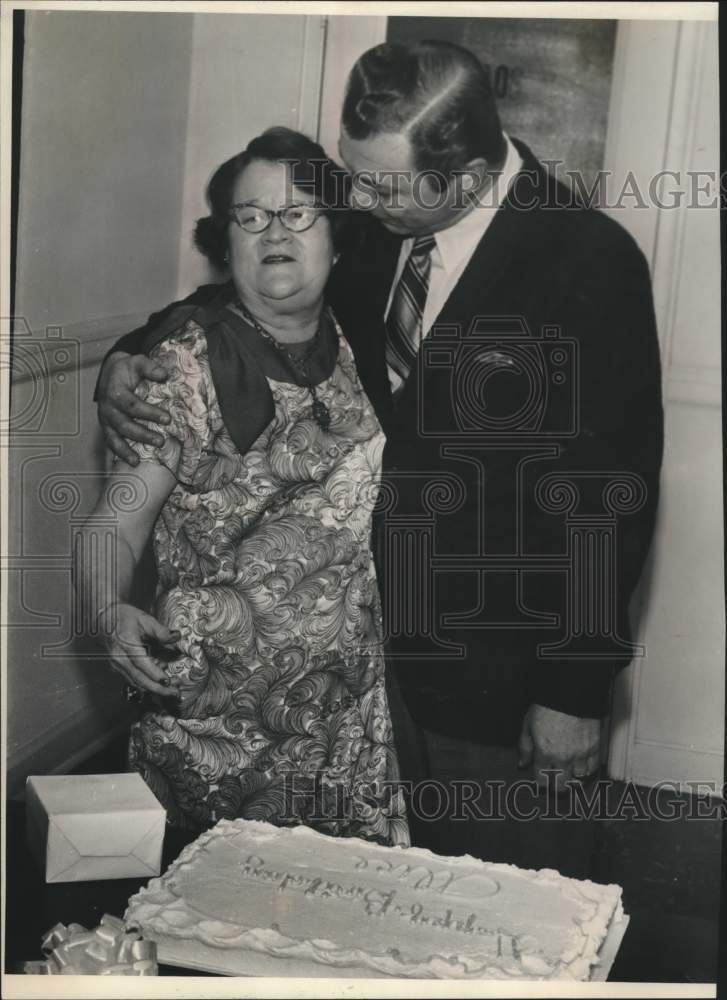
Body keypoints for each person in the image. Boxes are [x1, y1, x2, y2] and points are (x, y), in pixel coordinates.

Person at [95, 41, 663, 870]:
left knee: (501, 914)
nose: (353, 199)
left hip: (495, 679)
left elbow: (610, 500)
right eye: (352, 175)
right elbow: (248, 290)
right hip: (355, 679)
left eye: (378, 185)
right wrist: (127, 354)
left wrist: (571, 691)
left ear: (465, 177)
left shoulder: (589, 261)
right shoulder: (377, 218)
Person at [77, 126, 409, 846]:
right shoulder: (179, 371)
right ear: (225, 240)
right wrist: (106, 608)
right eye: (250, 217)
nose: (273, 233)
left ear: (337, 235)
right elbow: (115, 523)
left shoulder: (362, 345)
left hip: (345, 731)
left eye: (297, 214)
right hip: (219, 733)